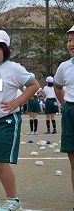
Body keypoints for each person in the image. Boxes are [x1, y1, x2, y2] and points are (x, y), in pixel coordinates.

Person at [0, 29, 39, 211]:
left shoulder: (13, 68)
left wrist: (17, 102)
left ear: (5, 49)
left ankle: (13, 200)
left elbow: (34, 85)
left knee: (0, 163)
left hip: (5, 122)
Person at [54, 24, 74, 193]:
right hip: (71, 113)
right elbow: (57, 86)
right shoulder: (64, 66)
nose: (71, 44)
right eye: (69, 40)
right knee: (73, 161)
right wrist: (65, 105)